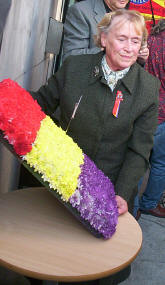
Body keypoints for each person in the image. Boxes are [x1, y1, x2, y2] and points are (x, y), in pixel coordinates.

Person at [30, 9, 160, 284]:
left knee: (95, 267)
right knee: (45, 253)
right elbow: (39, 103)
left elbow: (139, 151)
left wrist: (123, 194)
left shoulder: (148, 88)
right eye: (121, 38)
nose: (128, 48)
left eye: (136, 41)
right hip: (61, 177)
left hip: (108, 189)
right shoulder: (75, 68)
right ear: (103, 39)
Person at [135, 19, 165, 220]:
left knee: (137, 159)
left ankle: (131, 206)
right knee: (160, 162)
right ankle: (149, 204)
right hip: (162, 113)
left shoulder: (149, 41)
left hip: (140, 108)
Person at [62, 0, 149, 63]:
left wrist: (139, 57)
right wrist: (110, 50)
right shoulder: (81, 11)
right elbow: (71, 56)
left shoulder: (129, 16)